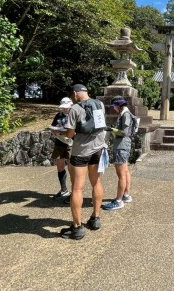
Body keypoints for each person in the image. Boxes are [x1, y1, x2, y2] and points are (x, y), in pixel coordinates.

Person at [57, 84, 108, 239]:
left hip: (81, 152)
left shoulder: (75, 109)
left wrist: (59, 133)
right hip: (98, 148)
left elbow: (70, 134)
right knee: (96, 183)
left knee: (77, 188)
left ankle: (77, 227)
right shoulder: (99, 104)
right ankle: (95, 219)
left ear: (75, 94)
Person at [103, 96, 133, 211]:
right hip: (124, 146)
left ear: (119, 106)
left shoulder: (125, 115)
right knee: (125, 172)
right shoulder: (124, 114)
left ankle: (119, 201)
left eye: (114, 106)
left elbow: (124, 132)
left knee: (121, 175)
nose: (114, 108)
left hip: (121, 146)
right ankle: (126, 195)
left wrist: (111, 129)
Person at [50, 97, 73, 200]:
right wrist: (54, 130)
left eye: (66, 107)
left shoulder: (74, 115)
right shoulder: (58, 115)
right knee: (60, 166)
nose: (64, 109)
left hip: (71, 144)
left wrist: (64, 132)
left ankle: (74, 192)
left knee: (72, 168)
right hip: (59, 142)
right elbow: (53, 126)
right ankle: (64, 190)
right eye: (63, 108)